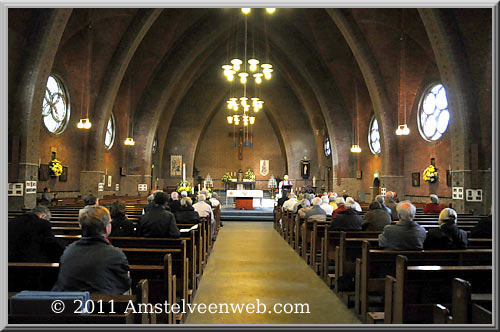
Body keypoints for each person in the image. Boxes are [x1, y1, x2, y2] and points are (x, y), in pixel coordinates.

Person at [52, 205, 131, 294]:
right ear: (106, 228)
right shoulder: (115, 254)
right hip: (102, 306)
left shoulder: (68, 251)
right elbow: (125, 284)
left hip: (70, 305)